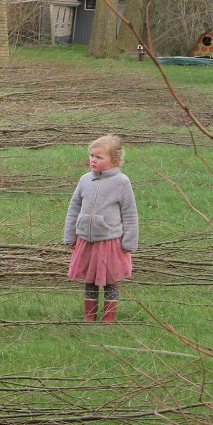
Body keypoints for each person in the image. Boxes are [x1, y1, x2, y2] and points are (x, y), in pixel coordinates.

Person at [63, 135, 138, 323]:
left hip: (110, 241)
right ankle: (90, 315)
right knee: (89, 280)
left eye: (99, 157)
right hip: (86, 241)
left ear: (115, 161)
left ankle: (109, 317)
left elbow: (130, 213)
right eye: (92, 155)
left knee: (109, 280)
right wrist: (70, 235)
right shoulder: (85, 180)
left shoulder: (122, 182)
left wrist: (129, 242)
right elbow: (74, 208)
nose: (93, 160)